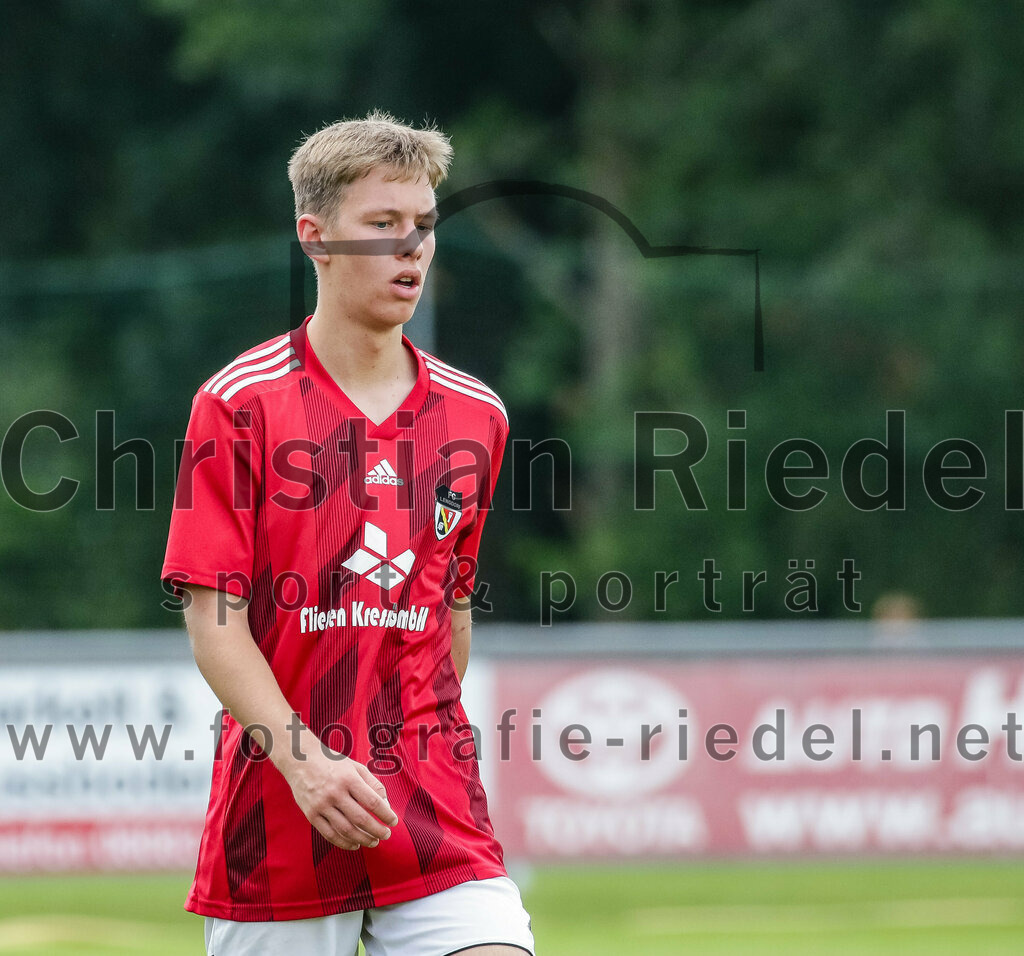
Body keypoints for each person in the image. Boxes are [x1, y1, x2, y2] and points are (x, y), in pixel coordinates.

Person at [161, 110, 534, 956]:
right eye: (384, 226)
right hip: (281, 812)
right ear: (316, 237)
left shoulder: (478, 414)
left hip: (432, 812)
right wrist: (307, 765)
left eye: (426, 227)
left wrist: (412, 742)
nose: (413, 249)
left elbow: (452, 614)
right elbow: (213, 620)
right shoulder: (239, 404)